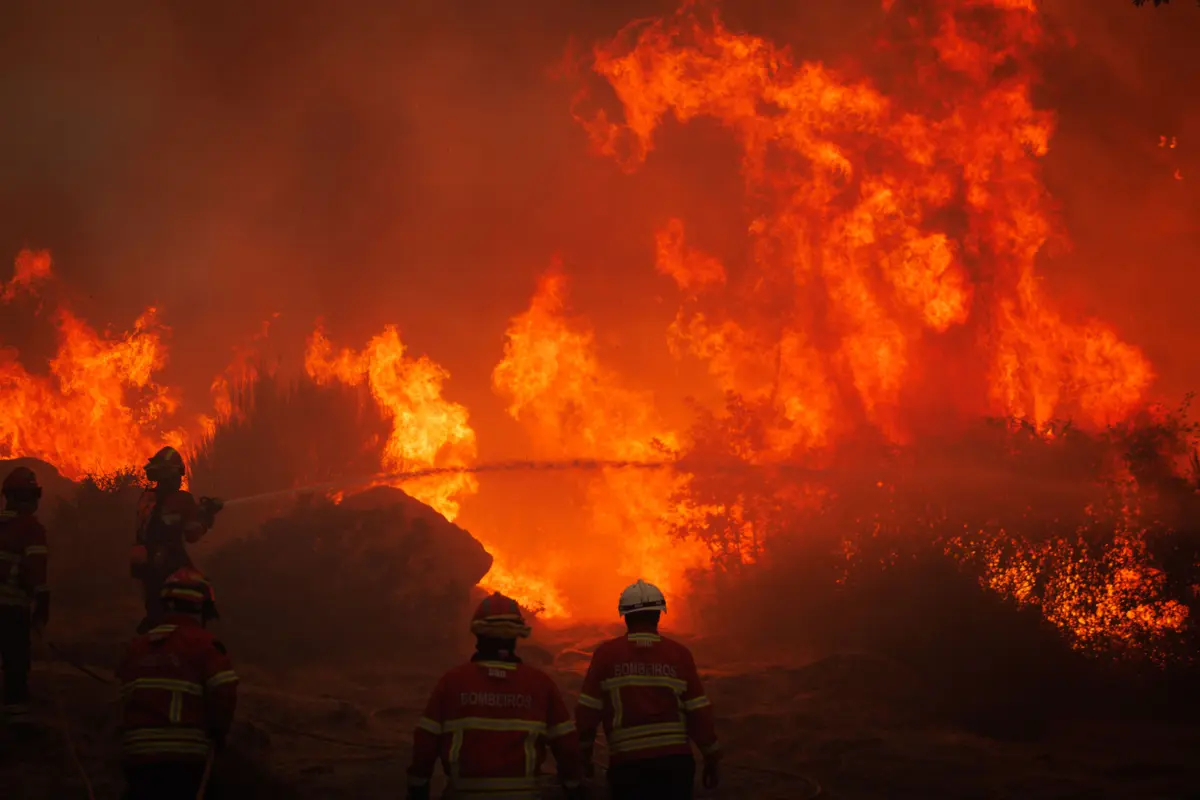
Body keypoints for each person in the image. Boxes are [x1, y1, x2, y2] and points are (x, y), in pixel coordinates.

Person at [406, 591, 586, 800]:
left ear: (478, 635)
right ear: (516, 636)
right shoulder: (540, 685)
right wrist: (574, 787)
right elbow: (566, 746)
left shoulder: (453, 683)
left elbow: (425, 744)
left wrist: (417, 787)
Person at [575, 579, 720, 800]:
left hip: (628, 765)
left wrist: (584, 757)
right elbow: (698, 710)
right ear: (659, 614)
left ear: (625, 616)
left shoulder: (606, 655)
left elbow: (587, 711)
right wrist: (711, 755)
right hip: (675, 765)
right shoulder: (679, 654)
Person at [116, 567, 238, 800]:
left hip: (136, 758)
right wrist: (219, 731)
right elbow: (225, 694)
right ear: (201, 607)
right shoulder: (204, 645)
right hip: (186, 758)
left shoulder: (136, 647)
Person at [130, 446, 223, 633]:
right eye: (178, 475)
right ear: (172, 475)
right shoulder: (182, 500)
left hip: (148, 568)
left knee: (155, 611)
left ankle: (149, 644)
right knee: (201, 593)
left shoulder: (146, 498)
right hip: (171, 564)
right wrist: (206, 516)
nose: (180, 479)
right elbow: (192, 535)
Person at [0, 466, 50, 736]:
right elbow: (35, 570)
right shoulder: (30, 528)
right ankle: (17, 721)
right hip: (11, 609)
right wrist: (42, 603)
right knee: (16, 663)